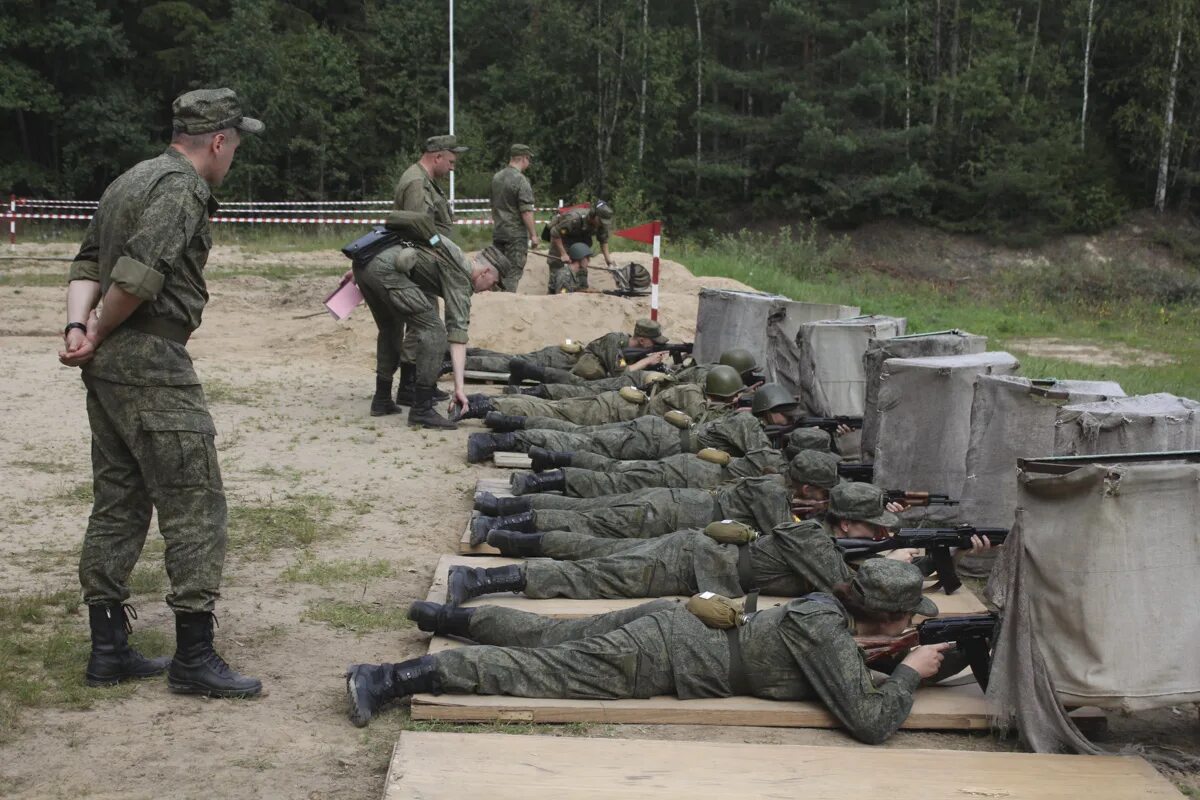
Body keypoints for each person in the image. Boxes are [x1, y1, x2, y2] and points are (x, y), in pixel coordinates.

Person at [58, 88, 264, 698]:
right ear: (219, 141)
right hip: (149, 356)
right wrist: (97, 328)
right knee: (195, 501)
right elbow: (137, 276)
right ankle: (194, 657)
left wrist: (80, 330)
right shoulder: (181, 188)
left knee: (119, 496)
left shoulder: (130, 179)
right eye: (236, 145)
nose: (234, 158)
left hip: (111, 363)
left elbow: (86, 261)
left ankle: (108, 649)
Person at [344, 559, 955, 746]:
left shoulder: (826, 613)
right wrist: (908, 672)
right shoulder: (828, 630)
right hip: (659, 657)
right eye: (906, 619)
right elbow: (871, 724)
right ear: (883, 616)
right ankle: (389, 678)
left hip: (675, 623)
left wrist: (876, 657)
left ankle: (447, 615)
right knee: (537, 670)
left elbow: (822, 657)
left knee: (548, 635)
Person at [354, 212, 505, 427]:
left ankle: (382, 399)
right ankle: (421, 410)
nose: (490, 289)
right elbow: (457, 335)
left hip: (365, 265)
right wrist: (459, 389)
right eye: (494, 283)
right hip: (385, 270)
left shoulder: (449, 249)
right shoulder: (461, 277)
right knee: (434, 332)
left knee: (390, 328)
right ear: (486, 271)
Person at [465, 382, 791, 463]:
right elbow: (766, 464)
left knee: (578, 433)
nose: (787, 419)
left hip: (655, 431)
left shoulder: (738, 418)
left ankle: (503, 421)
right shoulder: (747, 425)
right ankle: (498, 438)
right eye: (784, 414)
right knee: (580, 438)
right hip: (656, 439)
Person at [456, 364, 744, 428]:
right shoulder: (692, 395)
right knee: (550, 411)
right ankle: (484, 405)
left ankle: (482, 403)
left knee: (551, 407)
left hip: (616, 406)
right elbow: (705, 422)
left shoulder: (693, 391)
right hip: (613, 411)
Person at [464, 318, 669, 377]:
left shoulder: (626, 345)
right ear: (642, 341)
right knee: (508, 364)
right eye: (654, 341)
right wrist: (646, 362)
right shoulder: (616, 341)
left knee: (511, 358)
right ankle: (463, 360)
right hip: (559, 359)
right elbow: (621, 373)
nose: (656, 345)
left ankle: (467, 353)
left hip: (564, 361)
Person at [393, 134, 468, 242]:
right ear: (438, 158)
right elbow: (419, 233)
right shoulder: (417, 183)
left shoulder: (426, 180)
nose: (452, 168)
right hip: (428, 254)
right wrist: (439, 246)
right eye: (450, 162)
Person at [489, 144, 538, 291]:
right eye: (528, 159)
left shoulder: (496, 178)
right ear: (524, 158)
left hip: (499, 232)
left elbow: (493, 204)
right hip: (515, 236)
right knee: (512, 274)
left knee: (498, 271)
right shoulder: (521, 181)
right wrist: (533, 235)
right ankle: (507, 304)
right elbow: (526, 212)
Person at [545, 200, 614, 293]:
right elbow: (555, 233)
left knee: (582, 263)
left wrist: (609, 262)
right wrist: (563, 253)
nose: (602, 224)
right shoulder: (573, 219)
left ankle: (581, 289)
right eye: (601, 221)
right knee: (558, 266)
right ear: (594, 215)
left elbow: (603, 240)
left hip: (582, 240)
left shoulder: (602, 224)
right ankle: (555, 292)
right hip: (562, 239)